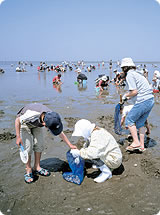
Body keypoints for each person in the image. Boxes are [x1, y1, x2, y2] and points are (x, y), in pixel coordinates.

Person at [15, 103, 77, 184]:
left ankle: (37, 166)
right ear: (44, 125)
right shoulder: (32, 114)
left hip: (36, 124)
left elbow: (60, 132)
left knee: (39, 144)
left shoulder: (52, 116)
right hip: (24, 124)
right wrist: (18, 137)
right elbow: (17, 120)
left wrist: (70, 145)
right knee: (28, 147)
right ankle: (28, 169)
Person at [120, 57, 154, 152]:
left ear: (125, 68)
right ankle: (141, 146)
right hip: (150, 100)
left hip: (143, 101)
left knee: (129, 120)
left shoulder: (130, 75)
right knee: (140, 123)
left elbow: (134, 91)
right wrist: (128, 97)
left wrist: (125, 96)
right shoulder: (138, 74)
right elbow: (138, 91)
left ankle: (136, 142)